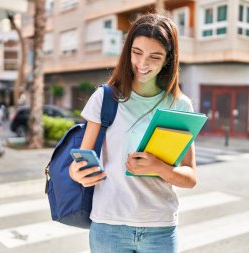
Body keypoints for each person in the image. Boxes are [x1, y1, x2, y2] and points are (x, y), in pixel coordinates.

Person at [69, 13, 197, 253]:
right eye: (137, 52)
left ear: (169, 59)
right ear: (127, 51)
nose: (143, 63)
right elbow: (80, 160)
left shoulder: (180, 106)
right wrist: (77, 172)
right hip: (109, 226)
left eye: (154, 57)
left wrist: (159, 168)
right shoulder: (104, 98)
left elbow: (190, 177)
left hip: (160, 228)